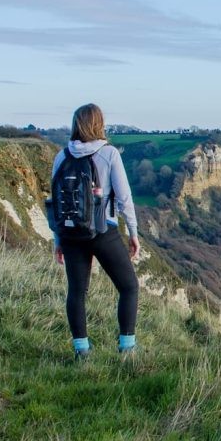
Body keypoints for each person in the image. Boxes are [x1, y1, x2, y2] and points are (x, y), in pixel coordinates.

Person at [51, 103, 141, 358]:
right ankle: (127, 348)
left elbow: (57, 203)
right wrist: (133, 232)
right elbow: (124, 197)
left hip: (71, 234)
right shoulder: (109, 153)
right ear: (99, 124)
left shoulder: (61, 156)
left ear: (75, 124)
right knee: (129, 287)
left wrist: (58, 240)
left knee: (77, 292)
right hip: (103, 231)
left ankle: (82, 351)